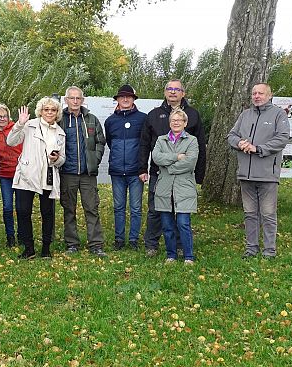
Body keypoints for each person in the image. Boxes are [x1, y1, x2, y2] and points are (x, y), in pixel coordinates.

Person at [139, 79, 206, 257]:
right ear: (165, 92)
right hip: (158, 173)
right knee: (156, 210)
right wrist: (143, 168)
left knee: (180, 212)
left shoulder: (193, 114)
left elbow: (199, 148)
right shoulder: (154, 115)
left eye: (177, 89)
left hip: (184, 177)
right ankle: (152, 244)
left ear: (183, 93)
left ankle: (179, 246)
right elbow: (145, 144)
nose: (173, 92)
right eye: (169, 89)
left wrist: (199, 175)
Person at [227, 83, 290, 259]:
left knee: (268, 214)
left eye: (260, 93)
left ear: (269, 95)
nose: (256, 96)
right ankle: (251, 248)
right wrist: (239, 143)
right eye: (254, 93)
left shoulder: (279, 114)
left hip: (267, 175)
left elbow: (283, 138)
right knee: (249, 214)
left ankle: (269, 251)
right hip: (245, 175)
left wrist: (258, 148)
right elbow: (231, 135)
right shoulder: (245, 115)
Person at [7, 97, 66, 259]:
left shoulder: (60, 133)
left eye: (53, 110)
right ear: (40, 111)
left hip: (47, 176)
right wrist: (19, 124)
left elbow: (63, 159)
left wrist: (56, 159)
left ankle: (46, 248)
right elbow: (11, 141)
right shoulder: (29, 125)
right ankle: (29, 248)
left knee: (47, 213)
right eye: (46, 109)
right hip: (27, 174)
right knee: (23, 211)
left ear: (57, 113)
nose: (49, 112)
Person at [59, 86, 107, 258]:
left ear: (82, 100)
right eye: (72, 98)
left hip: (88, 174)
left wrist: (95, 159)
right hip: (67, 173)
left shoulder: (91, 119)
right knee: (69, 209)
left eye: (78, 98)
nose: (75, 101)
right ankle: (72, 243)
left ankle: (96, 244)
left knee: (92, 208)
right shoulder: (60, 119)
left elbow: (101, 141)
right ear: (66, 100)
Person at [152, 109, 199, 264]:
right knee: (167, 225)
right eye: (173, 120)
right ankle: (171, 255)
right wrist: (177, 157)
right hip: (164, 188)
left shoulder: (192, 141)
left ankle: (188, 256)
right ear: (169, 122)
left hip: (184, 188)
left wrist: (169, 167)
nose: (176, 123)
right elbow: (156, 157)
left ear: (185, 123)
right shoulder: (161, 140)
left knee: (183, 223)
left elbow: (190, 162)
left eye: (179, 120)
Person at [104, 84, 147, 251]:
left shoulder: (142, 119)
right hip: (116, 171)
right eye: (122, 97)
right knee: (118, 207)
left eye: (129, 97)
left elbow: (145, 144)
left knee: (136, 208)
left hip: (136, 171)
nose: (125, 99)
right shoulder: (110, 121)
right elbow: (110, 142)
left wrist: (143, 168)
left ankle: (134, 240)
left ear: (133, 99)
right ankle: (119, 240)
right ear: (117, 100)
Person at [0, 103, 23, 247]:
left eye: (4, 116)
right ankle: (10, 236)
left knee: (22, 206)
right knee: (7, 207)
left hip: (20, 173)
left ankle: (23, 234)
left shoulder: (17, 128)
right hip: (5, 175)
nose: (2, 119)